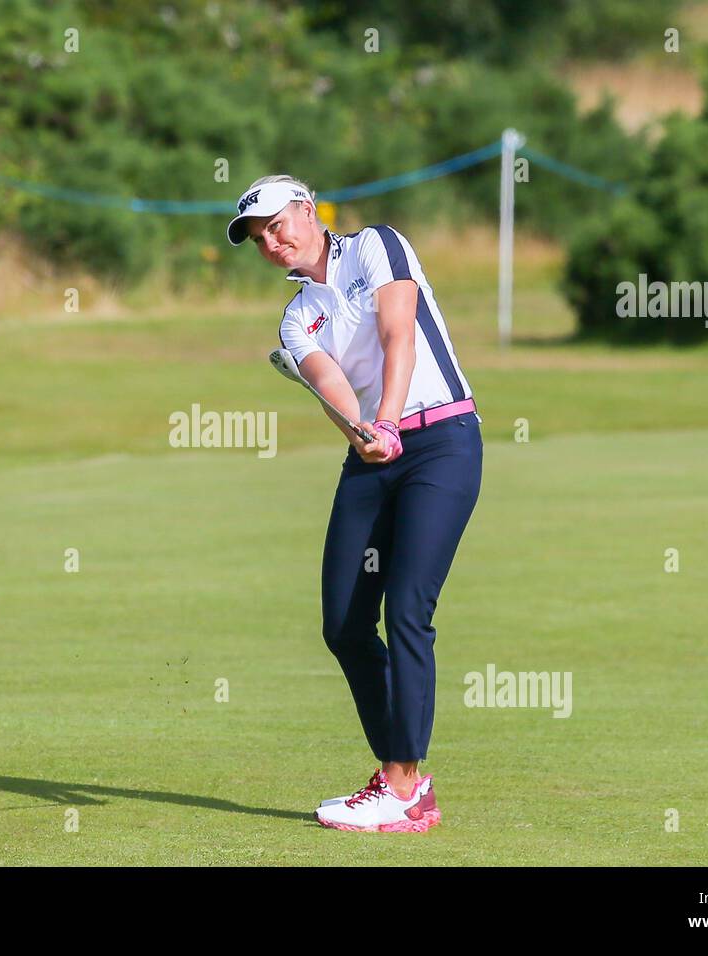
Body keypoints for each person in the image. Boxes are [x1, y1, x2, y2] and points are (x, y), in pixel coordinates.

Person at [227, 176, 482, 833]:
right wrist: (363, 434)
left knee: (407, 609)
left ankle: (402, 784)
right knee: (343, 623)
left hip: (442, 445)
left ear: (308, 211)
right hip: (377, 462)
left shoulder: (378, 246)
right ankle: (403, 783)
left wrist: (388, 423)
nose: (273, 241)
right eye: (259, 238)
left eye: (278, 224)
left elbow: (401, 335)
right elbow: (338, 391)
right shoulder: (296, 319)